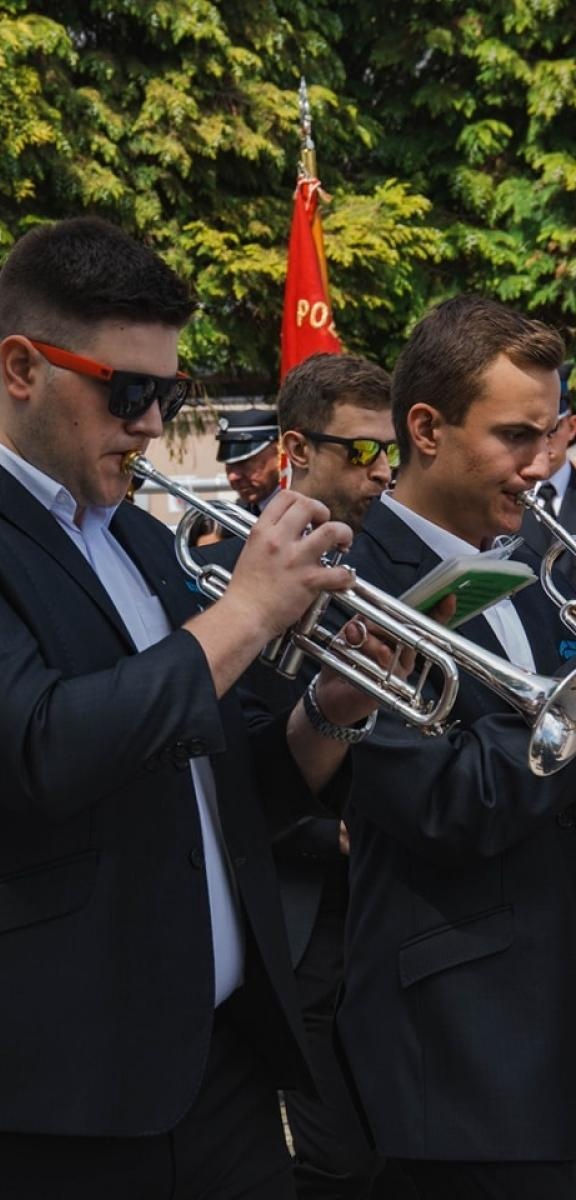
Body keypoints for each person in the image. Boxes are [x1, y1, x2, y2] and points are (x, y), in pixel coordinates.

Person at [0, 217, 398, 1200]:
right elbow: (44, 747)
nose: (149, 424)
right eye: (127, 392)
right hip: (13, 1099)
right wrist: (248, 611)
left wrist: (325, 713)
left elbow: (206, 773)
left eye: (166, 395)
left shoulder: (127, 532)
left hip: (206, 1079)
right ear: (22, 366)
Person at [335, 295, 576, 1199]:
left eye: (551, 436)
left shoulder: (534, 563)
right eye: (517, 437)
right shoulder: (349, 578)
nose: (540, 467)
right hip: (469, 1054)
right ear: (426, 429)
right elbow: (442, 801)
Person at [204, 354, 399, 1199]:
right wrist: (336, 831)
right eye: (362, 452)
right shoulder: (231, 573)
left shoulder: (389, 560)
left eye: (389, 451)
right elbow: (229, 759)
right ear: (296, 448)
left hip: (389, 911)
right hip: (299, 908)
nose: (383, 470)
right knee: (338, 1160)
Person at [520, 361, 576, 584]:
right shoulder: (501, 496)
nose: (543, 442)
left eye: (552, 430)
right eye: (530, 432)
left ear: (571, 428)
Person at [215, 407, 281, 514]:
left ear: (279, 453)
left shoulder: (306, 512)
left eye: (244, 463)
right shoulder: (240, 514)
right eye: (229, 465)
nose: (232, 477)